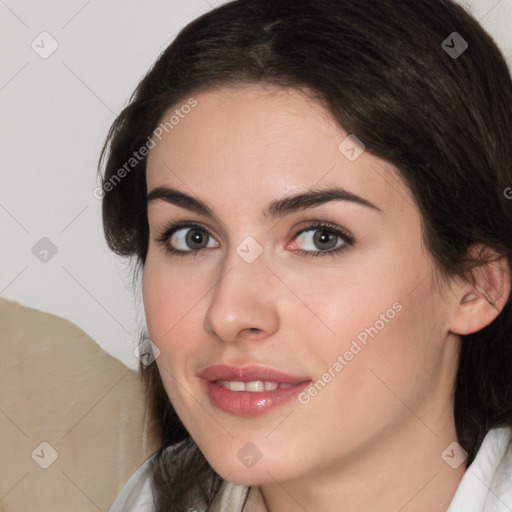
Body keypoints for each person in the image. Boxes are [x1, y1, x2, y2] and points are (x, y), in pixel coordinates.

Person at [99, 0, 512, 510]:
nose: (228, 313)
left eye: (321, 238)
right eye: (192, 237)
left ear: (475, 284)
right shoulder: (150, 497)